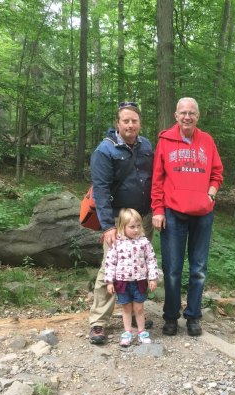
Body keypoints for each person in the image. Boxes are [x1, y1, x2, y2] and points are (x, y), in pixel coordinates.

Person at [151, 97, 223, 337]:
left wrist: (210, 195)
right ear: (176, 115)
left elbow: (217, 173)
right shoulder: (165, 140)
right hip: (173, 212)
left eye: (192, 113)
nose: (187, 117)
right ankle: (171, 317)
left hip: (202, 215)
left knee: (198, 269)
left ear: (197, 116)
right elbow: (158, 178)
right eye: (183, 113)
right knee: (172, 269)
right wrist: (158, 210)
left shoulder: (207, 141)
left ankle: (193, 316)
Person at [89, 102, 154, 345]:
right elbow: (101, 191)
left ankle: (137, 318)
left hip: (142, 218)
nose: (130, 125)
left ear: (139, 123)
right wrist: (107, 227)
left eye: (134, 121)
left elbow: (153, 179)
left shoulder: (146, 145)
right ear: (118, 123)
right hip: (117, 219)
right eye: (125, 121)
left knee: (140, 267)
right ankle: (98, 322)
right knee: (110, 269)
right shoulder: (104, 151)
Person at [104, 208, 158, 346]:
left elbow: (151, 260)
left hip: (139, 281)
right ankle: (127, 332)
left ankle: (142, 331)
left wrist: (152, 278)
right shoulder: (116, 243)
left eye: (138, 226)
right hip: (122, 282)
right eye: (132, 227)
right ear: (123, 226)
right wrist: (109, 282)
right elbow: (110, 263)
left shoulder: (144, 242)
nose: (136, 230)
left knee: (139, 308)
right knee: (126, 308)